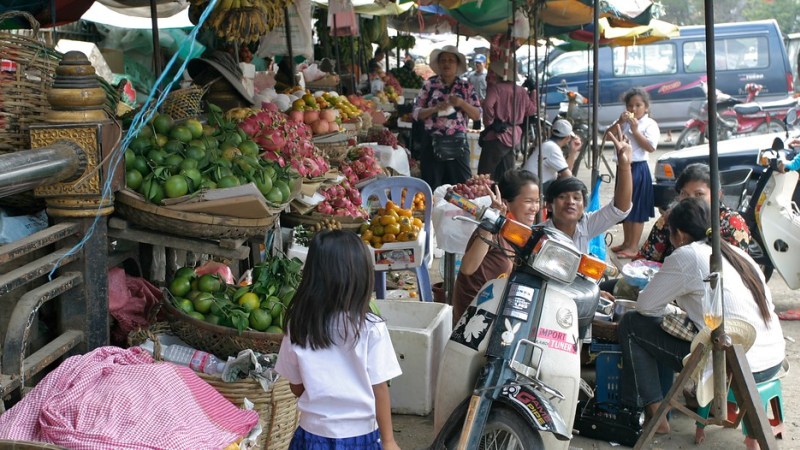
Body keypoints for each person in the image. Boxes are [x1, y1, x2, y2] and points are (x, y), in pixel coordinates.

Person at [618, 197, 785, 435]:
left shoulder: (688, 255)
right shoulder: (736, 254)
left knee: (632, 325)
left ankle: (657, 417)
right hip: (772, 359)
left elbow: (645, 306)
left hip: (740, 365)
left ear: (680, 235)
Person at [275, 231, 402, 450]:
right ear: (362, 277)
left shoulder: (298, 326)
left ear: (312, 276)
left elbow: (295, 386)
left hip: (312, 434)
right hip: (361, 437)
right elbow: (379, 388)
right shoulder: (372, 328)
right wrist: (389, 441)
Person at [451, 169, 540, 323]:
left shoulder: (517, 232)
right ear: (506, 203)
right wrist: (490, 224)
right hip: (473, 319)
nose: (534, 208)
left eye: (537, 201)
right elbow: (468, 268)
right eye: (528, 201)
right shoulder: (491, 231)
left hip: (495, 309)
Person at [540, 128, 632, 254]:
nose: (570, 202)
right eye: (562, 197)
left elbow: (619, 209)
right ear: (549, 206)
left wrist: (625, 166)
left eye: (577, 198)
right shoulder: (538, 235)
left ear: (584, 206)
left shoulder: (586, 224)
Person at [638, 163, 751, 263]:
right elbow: (645, 259)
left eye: (699, 194)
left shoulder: (732, 223)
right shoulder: (670, 218)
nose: (690, 200)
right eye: (685, 194)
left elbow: (739, 268)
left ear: (718, 195)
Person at [413, 45, 482, 190]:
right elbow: (416, 113)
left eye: (451, 60)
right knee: (430, 188)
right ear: (438, 64)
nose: (447, 64)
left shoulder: (466, 87)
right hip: (432, 143)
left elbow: (477, 115)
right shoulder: (429, 85)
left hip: (457, 144)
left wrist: (461, 103)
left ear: (457, 65)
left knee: (462, 188)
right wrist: (434, 109)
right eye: (443, 60)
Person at [604, 87, 659, 259]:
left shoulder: (650, 124)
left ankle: (634, 247)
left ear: (646, 107)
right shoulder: (623, 121)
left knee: (637, 210)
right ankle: (627, 243)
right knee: (624, 206)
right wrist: (619, 123)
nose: (633, 109)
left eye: (638, 105)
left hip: (638, 168)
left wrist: (635, 131)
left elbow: (650, 147)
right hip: (623, 167)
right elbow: (607, 136)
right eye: (630, 106)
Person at [477, 60, 538, 181]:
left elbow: (488, 105)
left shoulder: (496, 89)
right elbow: (532, 110)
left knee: (484, 176)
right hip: (514, 135)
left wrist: (489, 122)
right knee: (507, 175)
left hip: (497, 135)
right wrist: (534, 91)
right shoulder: (521, 91)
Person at [522, 119, 582, 184]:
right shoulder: (552, 148)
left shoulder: (549, 145)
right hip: (534, 186)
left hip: (533, 183)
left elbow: (566, 171)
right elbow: (568, 175)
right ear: (568, 138)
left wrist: (573, 152)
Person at [465, 54, 487, 130]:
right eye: (476, 63)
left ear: (484, 64)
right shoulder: (471, 75)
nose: (477, 65)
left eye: (479, 63)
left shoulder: (487, 76)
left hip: (483, 101)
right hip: (472, 102)